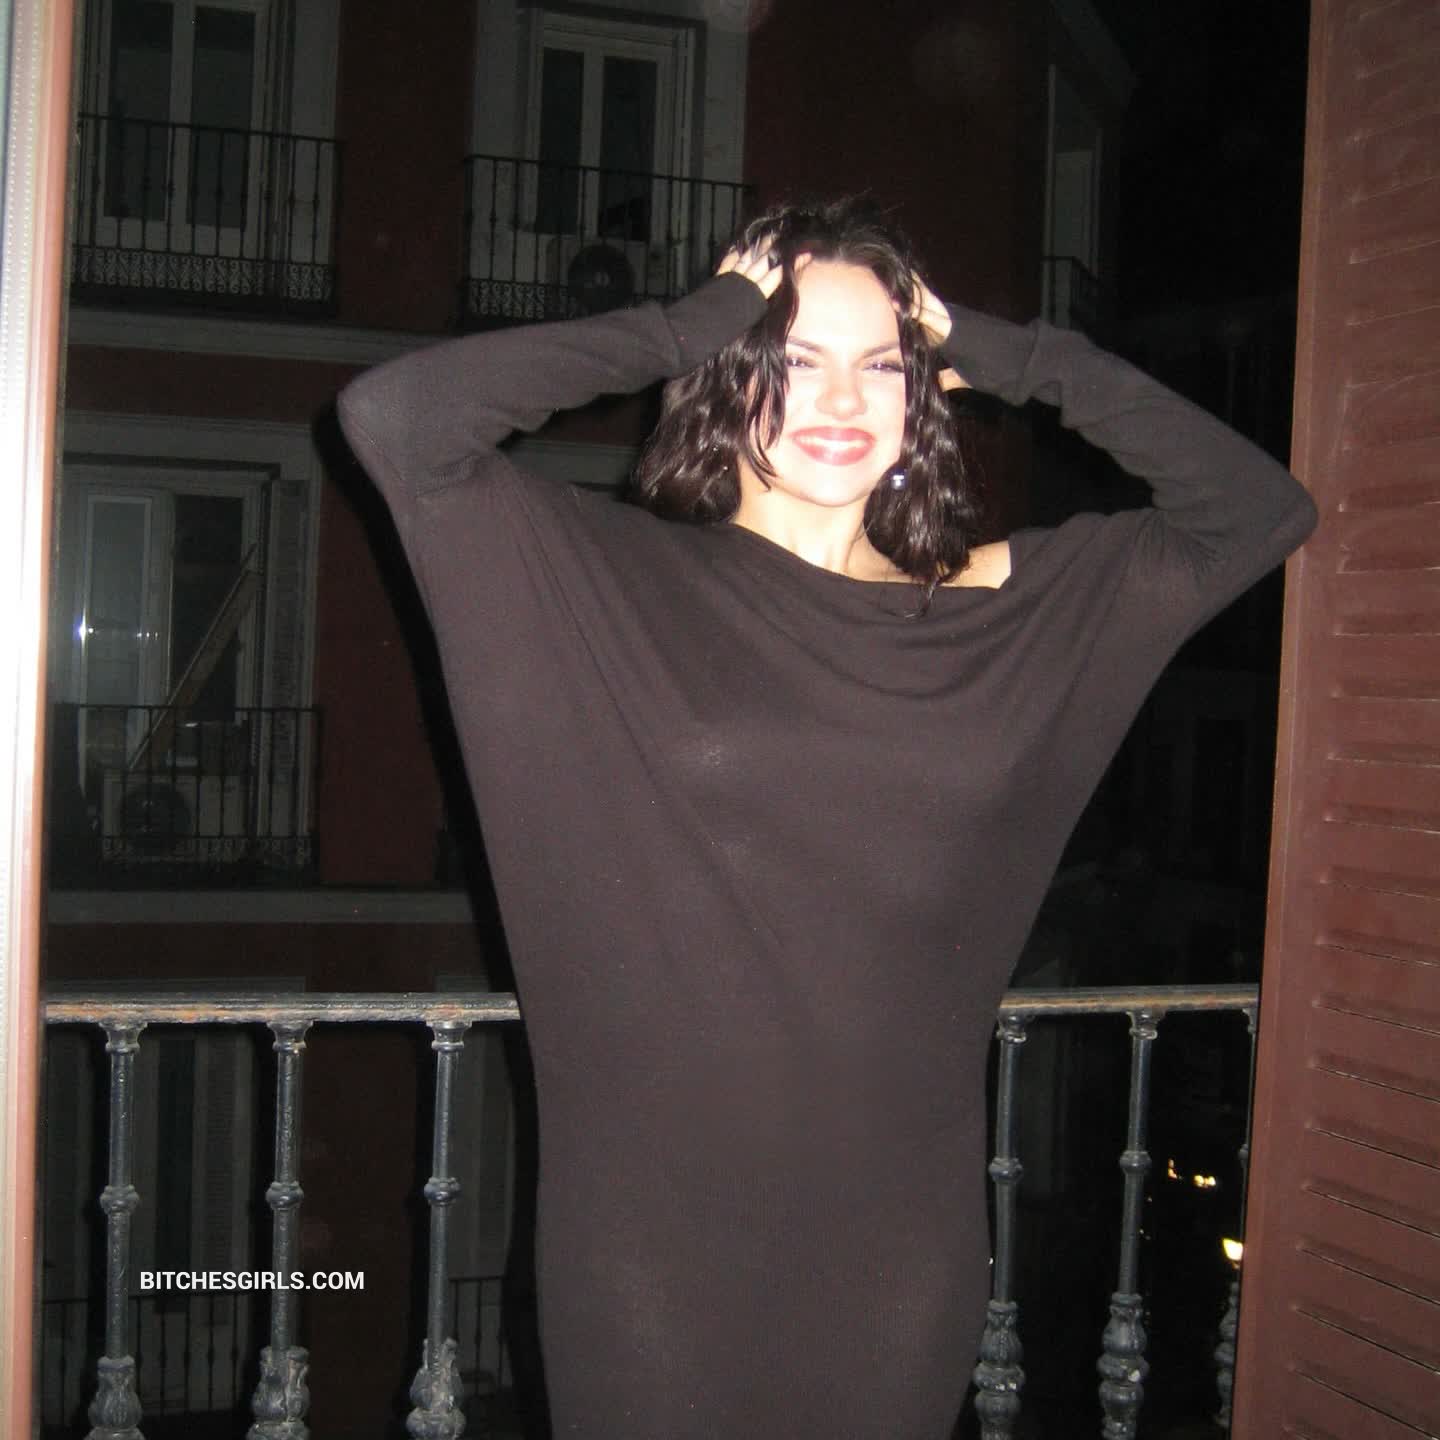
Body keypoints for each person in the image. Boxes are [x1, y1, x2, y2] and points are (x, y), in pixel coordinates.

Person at [337, 198, 1316, 1438]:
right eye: (793, 360)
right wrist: (679, 326)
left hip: (897, 1258)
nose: (843, 400)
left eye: (883, 366)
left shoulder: (1002, 610)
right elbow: (399, 422)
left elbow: (1256, 512)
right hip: (653, 1256)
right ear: (727, 375)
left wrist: (1011, 353)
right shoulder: (605, 579)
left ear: (924, 393)